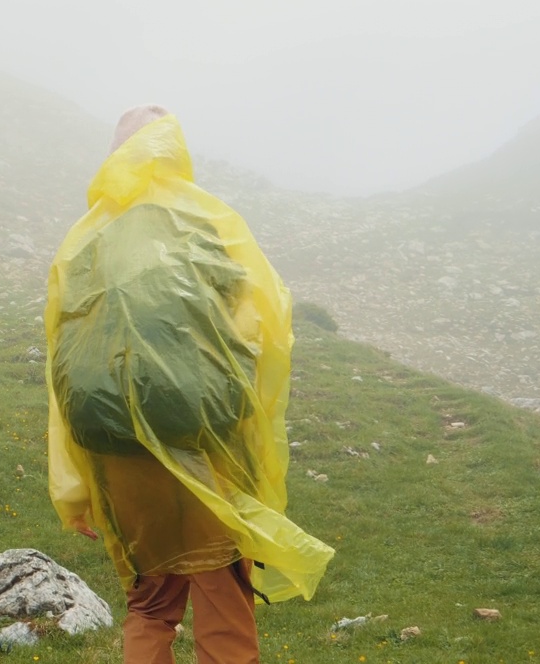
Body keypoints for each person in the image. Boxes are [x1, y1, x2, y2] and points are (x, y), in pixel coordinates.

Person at [45, 105, 334, 664]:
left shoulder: (84, 245)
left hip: (113, 446)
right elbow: (252, 328)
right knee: (222, 585)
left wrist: (75, 492)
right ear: (171, 151)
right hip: (200, 440)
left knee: (150, 602)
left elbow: (61, 366)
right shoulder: (205, 226)